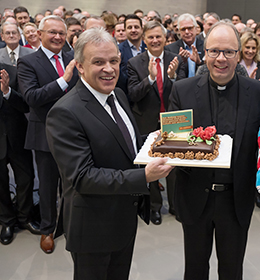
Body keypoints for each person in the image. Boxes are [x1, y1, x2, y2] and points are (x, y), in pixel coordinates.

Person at [45, 27, 173, 280]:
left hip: (123, 219)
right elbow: (82, 177)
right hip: (93, 227)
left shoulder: (119, 95)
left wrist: (156, 140)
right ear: (80, 67)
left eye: (114, 61)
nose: (109, 69)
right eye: (99, 62)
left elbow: (126, 142)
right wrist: (143, 177)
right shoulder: (65, 113)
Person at [169, 21, 260, 279]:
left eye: (228, 52)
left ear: (239, 55)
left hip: (236, 200)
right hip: (195, 197)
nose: (221, 59)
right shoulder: (183, 90)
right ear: (204, 53)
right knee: (194, 268)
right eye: (214, 51)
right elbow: (175, 142)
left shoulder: (259, 93)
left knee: (232, 269)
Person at [17, 15, 79, 254]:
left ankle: (72, 224)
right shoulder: (28, 62)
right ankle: (47, 229)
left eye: (61, 33)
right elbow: (31, 97)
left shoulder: (73, 58)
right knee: (48, 185)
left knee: (73, 182)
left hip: (74, 133)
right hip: (44, 133)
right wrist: (63, 81)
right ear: (40, 34)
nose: (57, 37)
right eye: (52, 32)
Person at [127, 21, 181, 224]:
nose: (155, 40)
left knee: (175, 163)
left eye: (158, 36)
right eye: (150, 37)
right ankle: (155, 207)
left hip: (173, 120)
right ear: (144, 40)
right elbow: (132, 94)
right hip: (146, 121)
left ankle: (176, 205)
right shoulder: (134, 63)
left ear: (165, 38)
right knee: (151, 166)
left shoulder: (175, 59)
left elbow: (182, 90)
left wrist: (173, 77)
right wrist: (150, 78)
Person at [0, 62, 39, 245]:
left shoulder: (13, 71)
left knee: (26, 179)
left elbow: (25, 105)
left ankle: (25, 217)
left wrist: (7, 91)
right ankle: (7, 221)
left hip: (17, 137)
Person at [165, 13, 204, 78]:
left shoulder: (205, 46)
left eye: (190, 28)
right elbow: (169, 75)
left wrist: (199, 63)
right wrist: (180, 62)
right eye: (183, 29)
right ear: (179, 31)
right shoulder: (170, 49)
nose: (186, 32)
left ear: (196, 29)